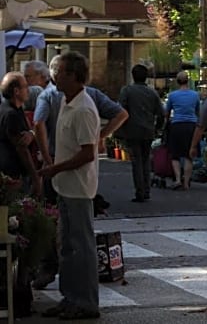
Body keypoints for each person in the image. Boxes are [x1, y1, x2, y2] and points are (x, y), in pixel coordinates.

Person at [31, 77, 127, 292]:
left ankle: (63, 279)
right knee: (71, 233)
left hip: (66, 169)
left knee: (69, 230)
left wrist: (49, 161)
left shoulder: (66, 100)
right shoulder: (78, 98)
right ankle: (72, 290)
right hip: (77, 174)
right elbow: (121, 114)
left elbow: (38, 123)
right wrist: (101, 136)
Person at [38, 52, 101, 320]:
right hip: (64, 184)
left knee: (81, 247)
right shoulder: (66, 101)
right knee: (67, 246)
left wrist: (56, 167)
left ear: (74, 76)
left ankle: (85, 302)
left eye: (61, 72)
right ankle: (70, 297)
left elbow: (88, 152)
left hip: (77, 186)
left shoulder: (84, 108)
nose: (55, 76)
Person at [117, 64, 164, 203]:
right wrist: (157, 129)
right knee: (145, 160)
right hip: (148, 130)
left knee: (136, 161)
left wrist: (120, 128)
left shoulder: (127, 91)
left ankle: (140, 191)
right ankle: (146, 189)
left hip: (132, 130)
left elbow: (120, 109)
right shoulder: (152, 93)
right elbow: (161, 113)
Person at [0, 72, 42, 197]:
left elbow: (29, 132)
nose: (28, 90)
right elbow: (21, 148)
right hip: (12, 174)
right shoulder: (10, 114)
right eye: (25, 86)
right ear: (16, 91)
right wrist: (35, 178)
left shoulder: (15, 109)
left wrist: (32, 133)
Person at [164, 71, 200, 190]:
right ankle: (187, 182)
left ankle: (178, 179)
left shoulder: (172, 95)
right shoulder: (195, 95)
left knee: (175, 155)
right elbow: (198, 111)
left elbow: (167, 112)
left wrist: (166, 123)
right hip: (191, 126)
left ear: (177, 81)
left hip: (177, 125)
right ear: (188, 81)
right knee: (189, 155)